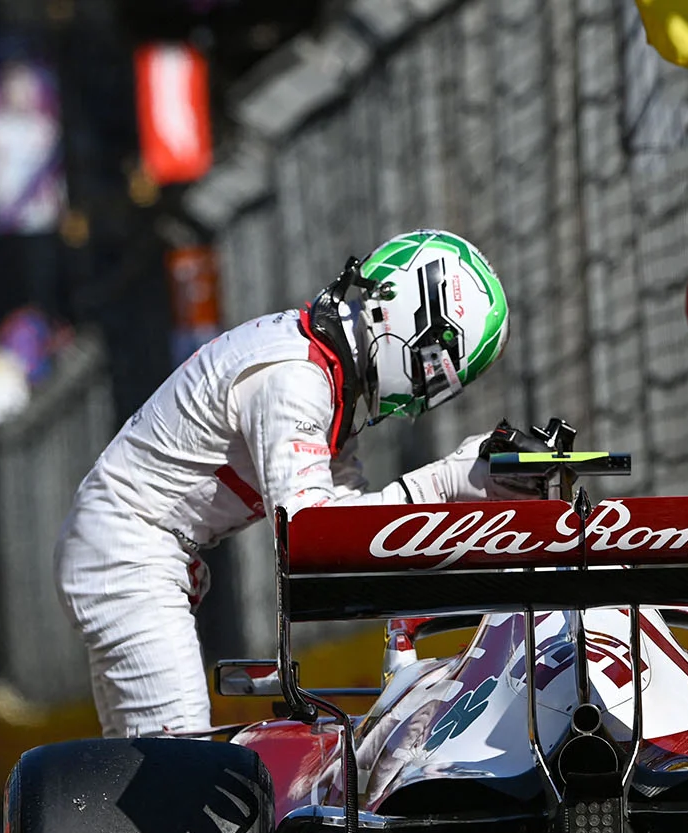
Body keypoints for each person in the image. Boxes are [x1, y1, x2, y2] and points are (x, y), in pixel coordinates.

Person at [56, 229, 530, 739]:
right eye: (436, 365)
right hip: (129, 552)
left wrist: (467, 489)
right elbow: (311, 539)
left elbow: (354, 538)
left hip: (130, 546)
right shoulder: (297, 379)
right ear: (408, 315)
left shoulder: (323, 370)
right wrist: (445, 481)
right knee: (182, 761)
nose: (425, 390)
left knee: (141, 766)